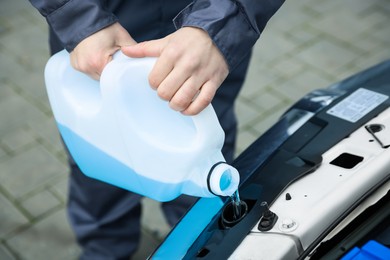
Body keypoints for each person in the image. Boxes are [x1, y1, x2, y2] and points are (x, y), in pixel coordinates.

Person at [29, 0, 285, 259]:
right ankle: (106, 248)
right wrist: (78, 16)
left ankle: (197, 245)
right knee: (101, 164)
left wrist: (224, 22)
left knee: (199, 184)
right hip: (101, 29)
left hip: (203, 33)